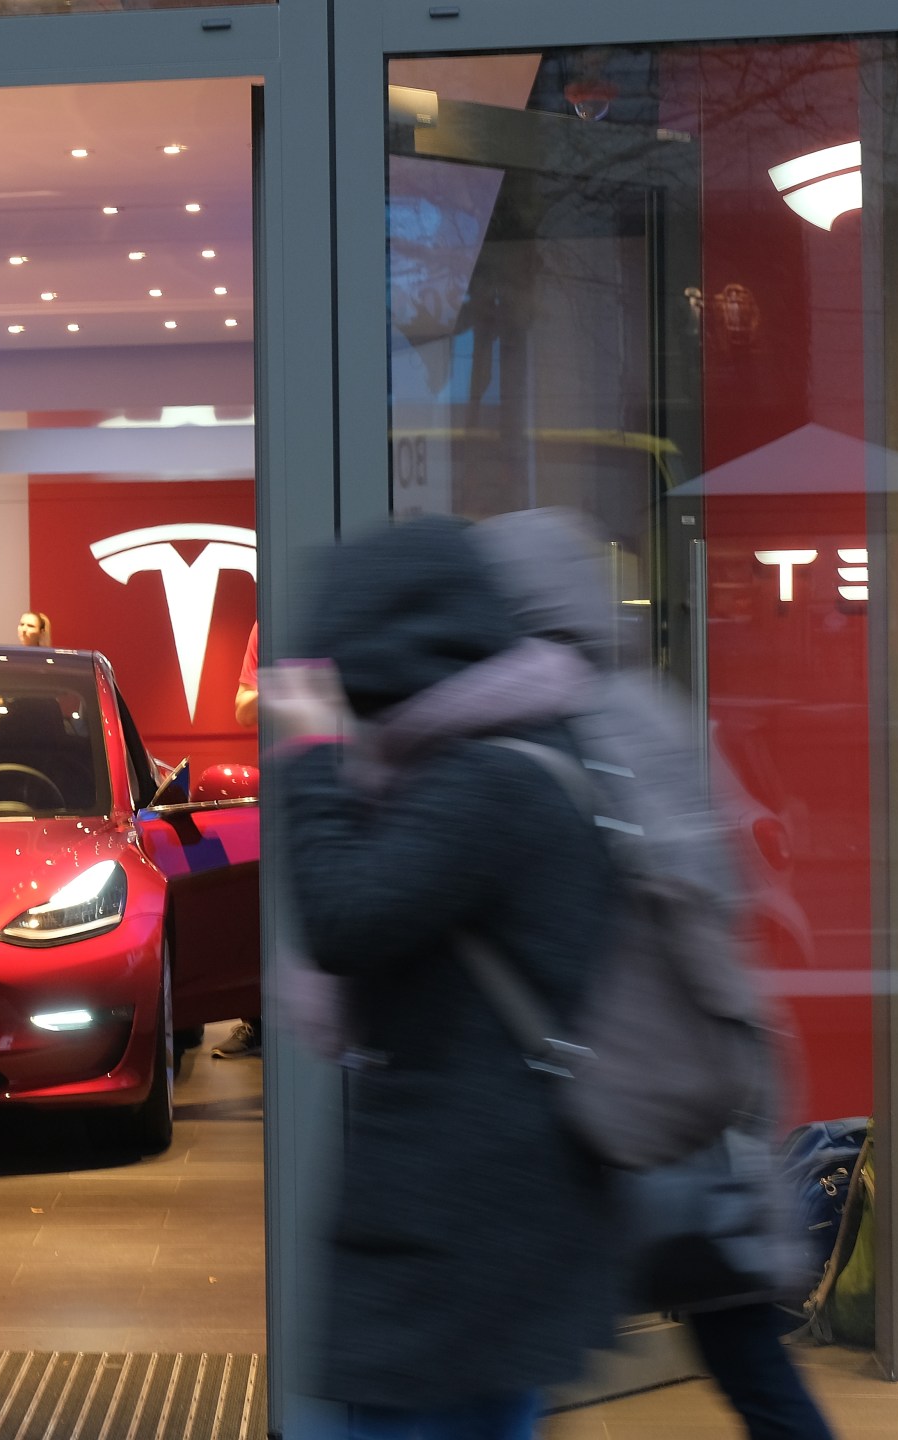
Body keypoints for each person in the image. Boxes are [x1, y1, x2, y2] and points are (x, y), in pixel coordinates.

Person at [473, 508, 834, 1440]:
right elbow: (716, 873)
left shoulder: (554, 723)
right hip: (686, 1065)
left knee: (530, 1346)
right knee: (739, 1339)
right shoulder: (648, 702)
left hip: (611, 1075)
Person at [275, 516, 623, 1440]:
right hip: (487, 1216)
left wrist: (308, 759)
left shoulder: (486, 785)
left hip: (460, 1225)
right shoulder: (518, 758)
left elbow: (344, 916)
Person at [214, 621, 265, 1060]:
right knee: (262, 902)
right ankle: (258, 1022)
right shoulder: (265, 624)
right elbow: (244, 708)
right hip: (286, 780)